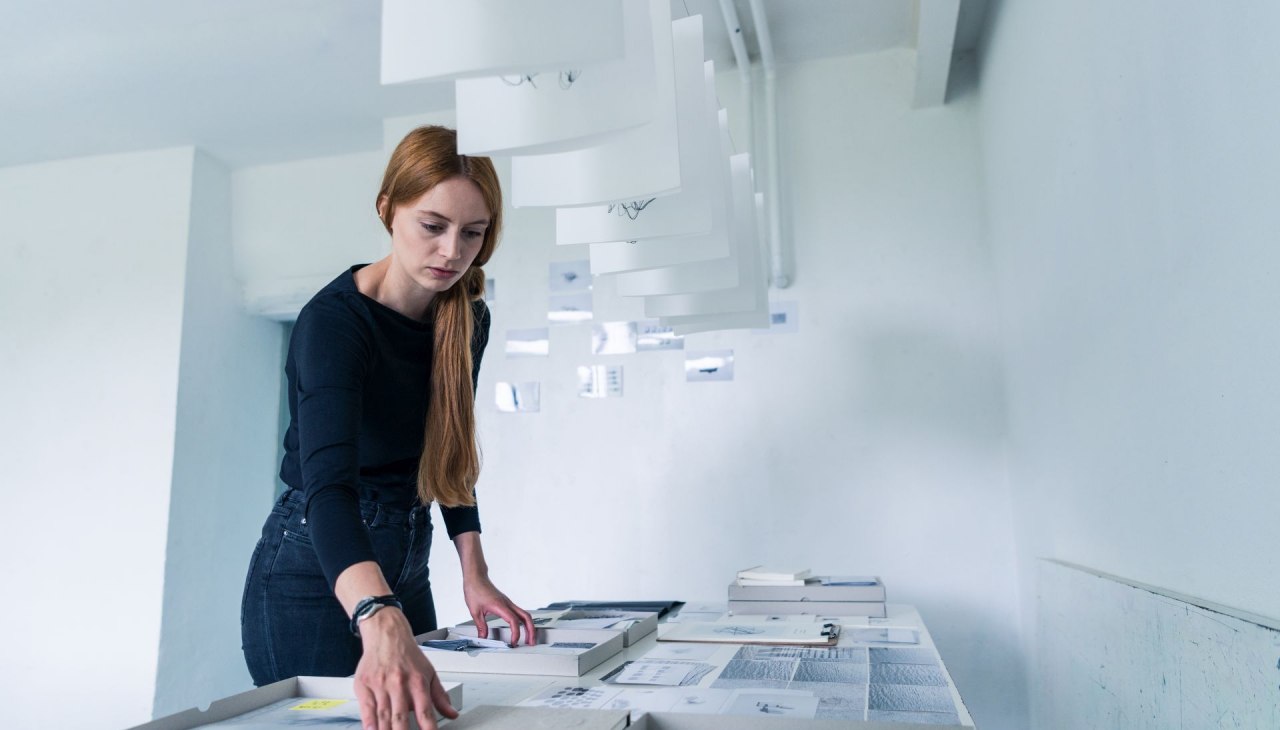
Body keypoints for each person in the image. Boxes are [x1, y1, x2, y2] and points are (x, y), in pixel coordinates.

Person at [240, 125, 535, 730]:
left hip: (406, 554)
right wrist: (377, 611)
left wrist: (474, 573)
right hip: (314, 565)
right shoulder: (334, 324)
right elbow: (329, 490)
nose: (452, 251)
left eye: (473, 232)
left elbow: (449, 454)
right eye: (433, 226)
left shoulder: (468, 319)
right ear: (386, 210)